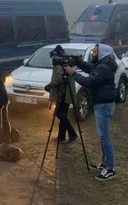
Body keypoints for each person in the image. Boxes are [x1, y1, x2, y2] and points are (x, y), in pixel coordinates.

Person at [65, 44, 117, 181]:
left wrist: (74, 73)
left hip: (103, 105)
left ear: (102, 53)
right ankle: (105, 163)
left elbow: (89, 81)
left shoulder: (104, 68)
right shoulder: (102, 64)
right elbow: (90, 69)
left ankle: (110, 168)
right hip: (103, 103)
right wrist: (78, 61)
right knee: (102, 136)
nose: (93, 53)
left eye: (95, 51)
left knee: (104, 137)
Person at [44, 45, 78, 144]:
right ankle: (61, 137)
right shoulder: (66, 64)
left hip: (63, 94)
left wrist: (48, 86)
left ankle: (73, 134)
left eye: (54, 57)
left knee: (59, 114)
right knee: (63, 114)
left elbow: (57, 80)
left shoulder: (59, 66)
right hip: (65, 93)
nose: (53, 59)